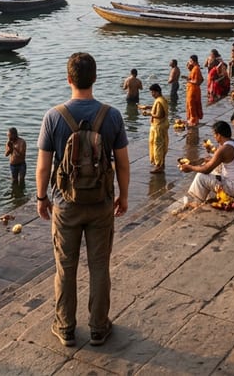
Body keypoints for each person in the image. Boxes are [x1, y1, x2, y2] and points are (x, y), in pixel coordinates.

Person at [36, 52, 130, 348]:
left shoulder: (54, 116)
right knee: (99, 266)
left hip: (65, 205)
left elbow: (43, 165)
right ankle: (99, 328)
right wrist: (123, 195)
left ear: (68, 79)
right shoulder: (111, 115)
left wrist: (41, 198)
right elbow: (123, 163)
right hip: (101, 203)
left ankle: (65, 327)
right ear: (95, 78)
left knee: (66, 267)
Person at [180, 121, 234, 202]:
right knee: (213, 167)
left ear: (219, 135)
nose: (214, 137)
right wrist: (199, 161)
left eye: (214, 135)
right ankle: (205, 197)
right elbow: (218, 160)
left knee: (201, 176)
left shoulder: (224, 149)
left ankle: (194, 201)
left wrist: (190, 167)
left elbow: (206, 169)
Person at [145, 84, 169, 173]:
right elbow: (157, 109)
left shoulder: (159, 101)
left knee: (157, 146)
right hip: (162, 125)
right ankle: (161, 164)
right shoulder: (162, 99)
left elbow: (159, 115)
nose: (152, 94)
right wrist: (148, 107)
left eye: (153, 92)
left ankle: (159, 165)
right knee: (161, 145)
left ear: (157, 92)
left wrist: (148, 113)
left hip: (159, 126)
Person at [185, 55, 204, 126]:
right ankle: (194, 119)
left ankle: (193, 120)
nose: (189, 62)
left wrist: (189, 81)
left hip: (193, 90)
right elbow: (201, 79)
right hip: (194, 89)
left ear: (193, 61)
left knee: (191, 104)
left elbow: (196, 81)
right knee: (194, 104)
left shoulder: (196, 69)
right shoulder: (195, 68)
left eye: (190, 61)